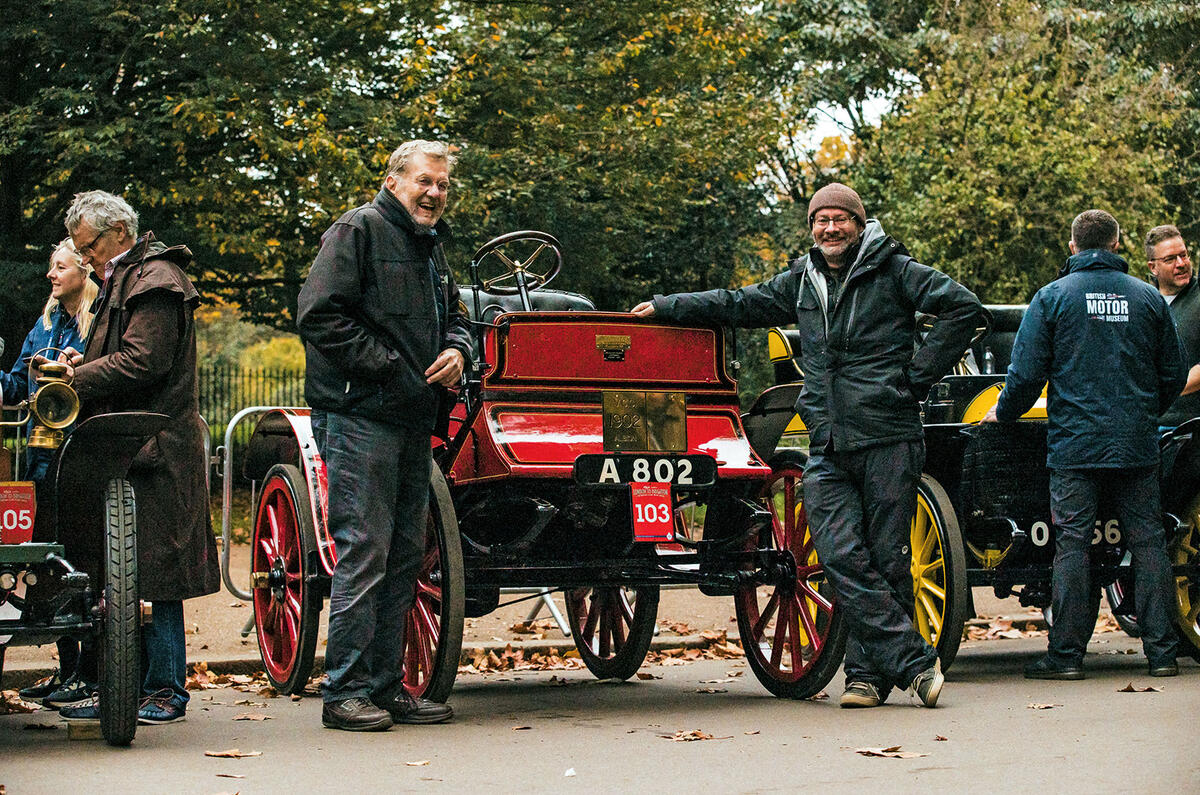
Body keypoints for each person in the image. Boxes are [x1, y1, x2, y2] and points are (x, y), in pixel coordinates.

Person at [632, 182, 985, 708]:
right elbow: (739, 303)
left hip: (888, 435)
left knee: (887, 558)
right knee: (839, 551)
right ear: (812, 228)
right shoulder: (802, 279)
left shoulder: (895, 271)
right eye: (821, 220)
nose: (830, 228)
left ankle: (865, 678)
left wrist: (913, 379)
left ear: (859, 225)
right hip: (828, 442)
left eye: (841, 219)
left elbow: (964, 309)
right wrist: (666, 306)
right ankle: (914, 662)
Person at [297, 140, 471, 731]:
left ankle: (386, 686)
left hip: (409, 417)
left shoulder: (431, 247)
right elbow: (318, 315)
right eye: (426, 181)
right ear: (394, 180)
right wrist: (393, 369)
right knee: (366, 551)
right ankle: (343, 693)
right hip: (360, 418)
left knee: (402, 558)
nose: (435, 194)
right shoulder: (358, 230)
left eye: (443, 185)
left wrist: (456, 350)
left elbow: (458, 317)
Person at [44, 190, 220, 723]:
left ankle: (165, 690)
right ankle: (134, 687)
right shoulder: (134, 277)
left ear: (119, 231)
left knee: (157, 574)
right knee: (131, 572)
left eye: (89, 245)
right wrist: (86, 356)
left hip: (157, 448)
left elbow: (144, 362)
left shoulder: (155, 279)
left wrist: (78, 374)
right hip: (138, 446)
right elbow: (127, 353)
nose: (87, 256)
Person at [986, 210, 1184, 679]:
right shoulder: (1148, 298)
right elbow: (1174, 372)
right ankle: (1161, 654)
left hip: (1075, 445)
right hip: (1136, 443)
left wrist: (1004, 414)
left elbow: (1026, 375)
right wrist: (1144, 411)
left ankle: (1067, 656)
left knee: (1071, 544)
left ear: (1073, 247)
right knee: (1149, 542)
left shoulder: (1051, 298)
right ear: (1117, 245)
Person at [3, 238, 97, 707]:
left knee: (84, 561)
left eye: (59, 266)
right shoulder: (43, 324)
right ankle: (68, 670)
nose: (50, 275)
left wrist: (78, 368)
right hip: (40, 456)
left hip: (82, 453)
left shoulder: (97, 323)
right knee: (48, 566)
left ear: (84, 269)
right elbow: (16, 383)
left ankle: (91, 674)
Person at [1146, 225, 1200, 429]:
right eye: (1170, 259)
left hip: (1191, 427)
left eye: (1184, 255)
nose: (1181, 264)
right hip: (1148, 428)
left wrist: (1163, 391)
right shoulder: (1143, 302)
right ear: (1153, 267)